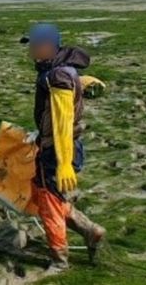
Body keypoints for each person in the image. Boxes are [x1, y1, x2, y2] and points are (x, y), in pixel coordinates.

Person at [25, 23, 105, 271]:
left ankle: (59, 262)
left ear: (50, 47)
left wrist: (63, 164)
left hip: (60, 149)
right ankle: (90, 230)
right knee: (45, 194)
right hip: (55, 145)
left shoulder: (58, 76)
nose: (31, 50)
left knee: (49, 205)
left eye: (35, 45)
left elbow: (62, 123)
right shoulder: (58, 70)